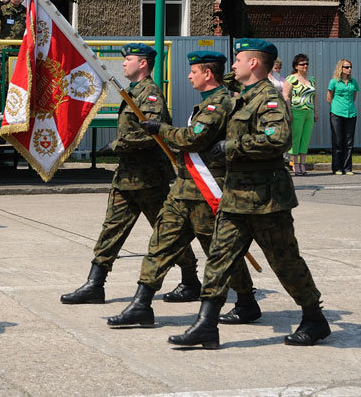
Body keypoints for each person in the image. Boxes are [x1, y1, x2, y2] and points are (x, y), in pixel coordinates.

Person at [169, 38, 330, 349]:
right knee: (219, 258)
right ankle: (206, 324)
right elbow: (224, 77)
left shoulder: (268, 98)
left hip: (266, 200)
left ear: (254, 64)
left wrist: (232, 146)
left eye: (239, 59)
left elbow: (279, 138)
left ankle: (314, 318)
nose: (233, 65)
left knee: (285, 262)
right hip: (236, 196)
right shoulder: (244, 95)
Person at [107, 51, 259, 329]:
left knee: (220, 251)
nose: (189, 76)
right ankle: (141, 304)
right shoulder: (206, 103)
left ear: (207, 74)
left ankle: (247, 302)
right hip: (184, 189)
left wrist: (161, 130)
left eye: (194, 71)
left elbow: (194, 138)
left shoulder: (220, 103)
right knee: (160, 245)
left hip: (206, 191)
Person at [60, 43, 199, 305]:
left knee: (168, 232)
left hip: (149, 180)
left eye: (130, 59)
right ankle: (95, 284)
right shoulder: (132, 92)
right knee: (111, 230)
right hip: (126, 178)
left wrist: (115, 145)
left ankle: (191, 280)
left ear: (143, 63)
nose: (124, 63)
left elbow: (153, 133)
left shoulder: (151, 94)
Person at [283, 54, 318, 176]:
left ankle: (303, 163)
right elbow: (286, 96)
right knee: (296, 138)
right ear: (296, 66)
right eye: (302, 64)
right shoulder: (291, 79)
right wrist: (289, 112)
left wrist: (315, 111)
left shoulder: (312, 79)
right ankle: (295, 163)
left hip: (309, 111)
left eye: (307, 63)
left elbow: (314, 96)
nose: (305, 66)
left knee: (306, 137)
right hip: (296, 110)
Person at [328, 59, 359, 175]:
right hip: (336, 113)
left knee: (349, 142)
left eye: (350, 67)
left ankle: (347, 168)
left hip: (351, 113)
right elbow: (329, 97)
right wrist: (336, 108)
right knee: (337, 140)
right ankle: (337, 168)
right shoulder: (334, 82)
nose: (349, 69)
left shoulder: (353, 82)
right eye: (346, 67)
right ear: (340, 68)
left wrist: (347, 107)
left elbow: (353, 97)